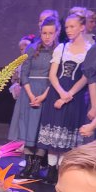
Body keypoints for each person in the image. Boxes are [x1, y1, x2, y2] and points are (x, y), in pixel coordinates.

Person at [37, 10, 92, 184]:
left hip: (75, 96)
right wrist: (61, 93)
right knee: (54, 134)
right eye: (67, 27)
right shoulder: (62, 48)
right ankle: (51, 171)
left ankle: (62, 171)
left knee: (67, 136)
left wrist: (70, 95)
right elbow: (53, 75)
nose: (68, 30)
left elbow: (85, 77)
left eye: (72, 26)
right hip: (57, 91)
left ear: (82, 27)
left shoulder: (89, 50)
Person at [11, 18, 60, 178]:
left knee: (40, 129)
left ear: (56, 33)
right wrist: (31, 94)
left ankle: (37, 164)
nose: (47, 36)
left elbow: (55, 76)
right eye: (44, 33)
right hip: (29, 91)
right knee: (28, 127)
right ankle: (29, 162)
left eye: (51, 33)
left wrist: (45, 95)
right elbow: (24, 72)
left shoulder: (58, 51)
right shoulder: (32, 49)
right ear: (41, 32)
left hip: (46, 92)